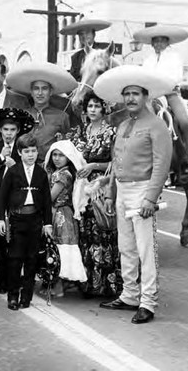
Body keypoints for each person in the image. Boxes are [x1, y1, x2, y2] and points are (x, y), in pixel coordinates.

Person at [94, 65, 174, 324]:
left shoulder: (157, 125)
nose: (130, 98)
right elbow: (116, 163)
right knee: (125, 246)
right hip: (122, 192)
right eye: (126, 94)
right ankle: (129, 294)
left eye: (135, 94)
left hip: (142, 190)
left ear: (145, 96)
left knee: (145, 249)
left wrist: (150, 198)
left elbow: (162, 165)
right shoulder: (124, 124)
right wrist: (109, 193)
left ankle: (148, 302)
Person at [67, 93, 122, 297]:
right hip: (80, 189)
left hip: (101, 186)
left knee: (103, 231)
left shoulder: (111, 133)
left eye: (97, 106)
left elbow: (117, 162)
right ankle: (87, 282)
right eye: (89, 106)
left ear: (104, 109)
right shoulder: (78, 132)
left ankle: (107, 284)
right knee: (85, 232)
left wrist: (94, 166)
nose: (92, 109)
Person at [0, 133, 52, 310]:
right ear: (19, 152)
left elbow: (46, 201)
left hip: (34, 220)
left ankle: (26, 296)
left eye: (33, 151)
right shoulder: (13, 172)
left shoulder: (42, 173)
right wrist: (0, 219)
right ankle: (13, 296)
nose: (30, 155)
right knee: (15, 259)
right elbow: (2, 197)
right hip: (17, 220)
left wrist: (47, 223)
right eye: (26, 151)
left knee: (31, 259)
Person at [0, 108, 35, 293]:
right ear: (0, 131)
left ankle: (15, 280)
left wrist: (15, 166)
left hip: (16, 198)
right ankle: (2, 281)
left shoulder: (23, 150)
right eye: (6, 130)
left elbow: (31, 172)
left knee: (16, 240)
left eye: (13, 130)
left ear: (18, 131)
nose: (9, 133)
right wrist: (0, 158)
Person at [134, 25, 188, 171]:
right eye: (155, 41)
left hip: (171, 92)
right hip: (151, 94)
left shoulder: (174, 57)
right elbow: (143, 77)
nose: (158, 44)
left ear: (167, 42)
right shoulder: (148, 60)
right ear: (151, 43)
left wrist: (163, 85)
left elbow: (177, 76)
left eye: (161, 41)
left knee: (184, 121)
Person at [7, 62, 77, 163]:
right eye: (36, 89)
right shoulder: (21, 116)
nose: (40, 93)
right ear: (31, 92)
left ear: (51, 91)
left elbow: (66, 147)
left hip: (50, 168)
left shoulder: (62, 117)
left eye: (44, 88)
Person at [44, 140, 88, 296]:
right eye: (54, 155)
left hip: (61, 214)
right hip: (56, 212)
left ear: (68, 157)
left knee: (61, 249)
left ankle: (60, 286)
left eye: (61, 155)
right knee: (55, 248)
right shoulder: (56, 172)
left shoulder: (64, 174)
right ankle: (60, 284)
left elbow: (50, 197)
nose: (57, 158)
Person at [59, 18, 112, 82]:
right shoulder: (76, 57)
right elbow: (73, 79)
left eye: (87, 33)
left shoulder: (104, 51)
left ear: (94, 34)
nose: (84, 36)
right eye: (81, 34)